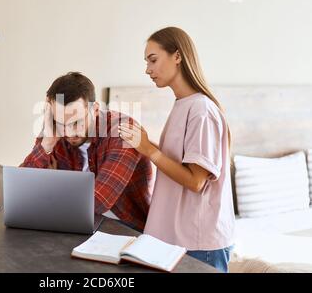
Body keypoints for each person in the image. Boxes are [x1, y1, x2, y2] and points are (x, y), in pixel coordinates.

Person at [119, 27, 235, 272]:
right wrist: (147, 146)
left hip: (198, 244)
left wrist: (150, 150)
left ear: (177, 56)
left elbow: (195, 181)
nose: (147, 69)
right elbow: (179, 162)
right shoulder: (184, 104)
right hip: (174, 240)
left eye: (153, 60)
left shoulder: (201, 110)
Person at [21, 72, 152, 232]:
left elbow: (98, 200)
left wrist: (46, 195)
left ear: (95, 110)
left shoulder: (123, 131)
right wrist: (47, 143)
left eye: (77, 122)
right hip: (73, 220)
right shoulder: (55, 129)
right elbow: (22, 190)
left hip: (124, 226)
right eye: (62, 123)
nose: (69, 132)